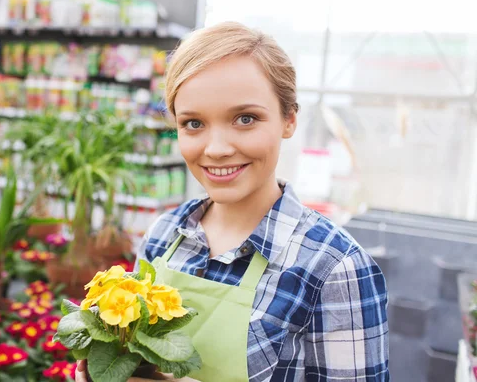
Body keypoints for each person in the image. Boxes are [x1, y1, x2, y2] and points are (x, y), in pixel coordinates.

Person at [75, 21, 389, 382]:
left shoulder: (333, 268)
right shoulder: (163, 236)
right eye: (193, 123)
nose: (217, 149)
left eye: (245, 119)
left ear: (289, 119)